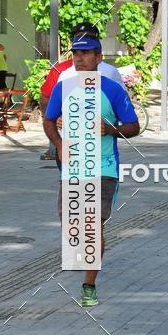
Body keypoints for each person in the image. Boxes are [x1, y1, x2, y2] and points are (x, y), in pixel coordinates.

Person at [43, 34, 139, 307]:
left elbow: (134, 127)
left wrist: (112, 129)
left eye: (86, 54)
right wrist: (59, 144)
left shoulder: (112, 90)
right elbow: (49, 120)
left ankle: (89, 284)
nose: (79, 59)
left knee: (92, 225)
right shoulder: (63, 87)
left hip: (104, 167)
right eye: (75, 54)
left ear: (99, 58)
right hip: (72, 167)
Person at [40, 23, 125, 161]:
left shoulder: (110, 72)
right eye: (77, 38)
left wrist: (110, 127)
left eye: (87, 38)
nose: (82, 41)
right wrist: (55, 121)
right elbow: (46, 100)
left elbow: (123, 108)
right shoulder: (62, 72)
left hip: (101, 148)